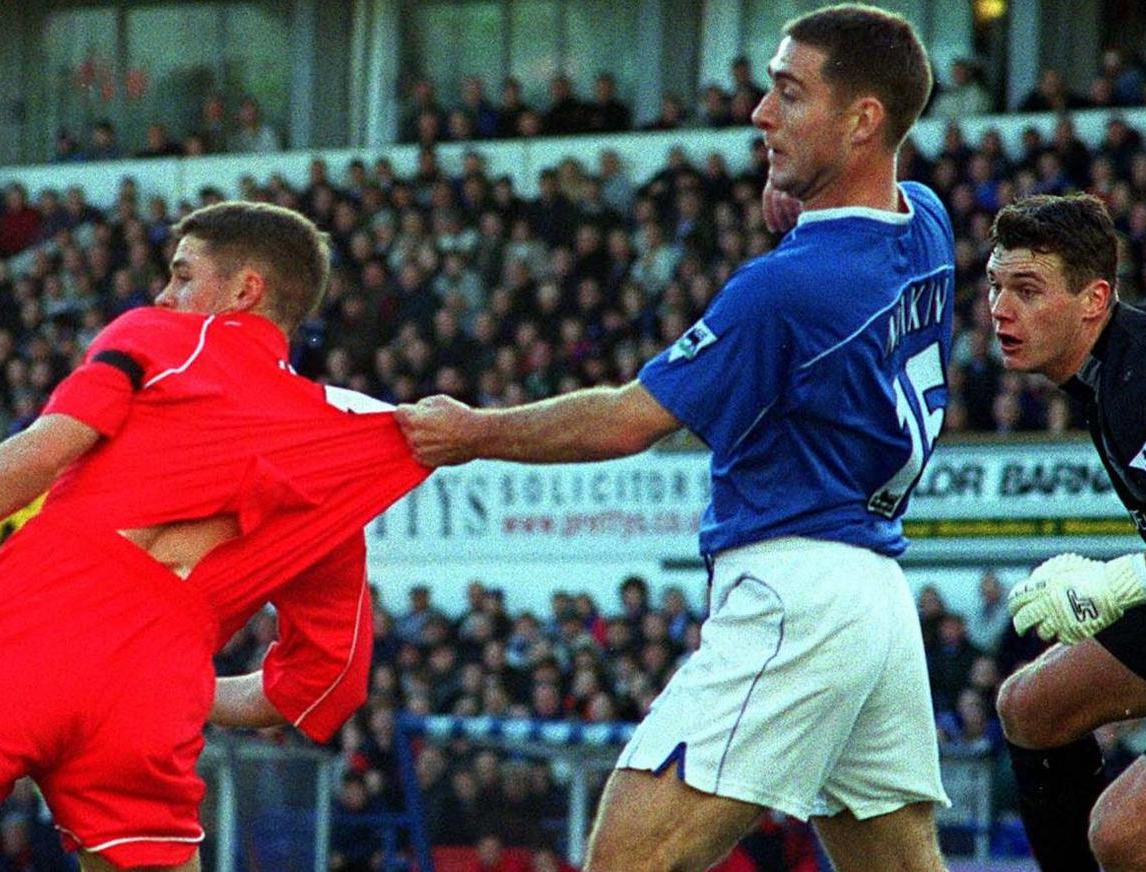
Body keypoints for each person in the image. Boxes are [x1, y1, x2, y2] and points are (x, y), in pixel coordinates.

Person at [397, 5, 951, 870]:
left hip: (795, 592)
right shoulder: (928, 223)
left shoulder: (783, 291)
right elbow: (886, 195)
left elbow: (627, 421)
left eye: (788, 94)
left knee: (628, 859)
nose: (761, 113)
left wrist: (474, 432)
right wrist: (799, 186)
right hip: (878, 594)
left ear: (863, 119)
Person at [0, 202, 429, 872]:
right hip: (153, 690)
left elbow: (39, 453)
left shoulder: (166, 338)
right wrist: (186, 687)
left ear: (244, 292)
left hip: (38, 623)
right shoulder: (333, 454)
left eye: (180, 275)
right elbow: (327, 684)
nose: (163, 294)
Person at [989, 193, 1146, 872]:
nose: (999, 309)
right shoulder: (1125, 360)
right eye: (994, 285)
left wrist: (1119, 581)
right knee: (1031, 705)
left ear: (1092, 299)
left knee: (1127, 834)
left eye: (1026, 290)